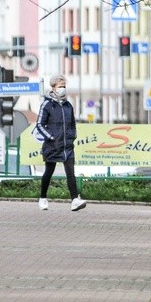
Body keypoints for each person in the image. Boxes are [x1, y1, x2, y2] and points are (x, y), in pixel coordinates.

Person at [34, 75, 87, 212]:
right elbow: (40, 124)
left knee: (70, 172)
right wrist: (51, 137)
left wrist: (72, 135)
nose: (62, 89)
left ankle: (75, 200)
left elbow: (72, 123)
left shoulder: (68, 105)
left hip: (67, 146)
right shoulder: (47, 104)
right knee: (49, 172)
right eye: (60, 86)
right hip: (52, 145)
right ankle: (43, 198)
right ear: (53, 88)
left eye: (64, 86)